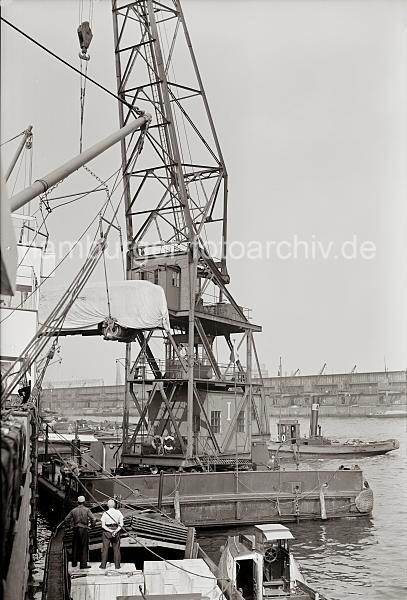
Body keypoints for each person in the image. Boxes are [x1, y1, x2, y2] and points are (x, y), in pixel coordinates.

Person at [64, 496, 96, 569]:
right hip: (84, 529)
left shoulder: (73, 510)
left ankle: (74, 563)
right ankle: (83, 564)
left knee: (75, 546)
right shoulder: (87, 510)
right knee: (84, 547)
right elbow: (93, 518)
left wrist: (69, 526)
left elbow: (66, 519)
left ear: (77, 502)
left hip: (76, 529)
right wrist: (92, 526)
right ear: (84, 502)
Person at [99, 499, 124, 570]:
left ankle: (103, 565)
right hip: (116, 530)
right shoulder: (118, 512)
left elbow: (103, 526)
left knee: (105, 549)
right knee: (116, 549)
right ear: (115, 505)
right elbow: (121, 524)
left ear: (107, 505)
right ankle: (117, 566)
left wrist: (110, 531)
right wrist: (115, 531)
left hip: (107, 532)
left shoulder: (105, 513)